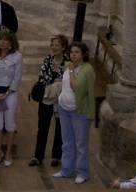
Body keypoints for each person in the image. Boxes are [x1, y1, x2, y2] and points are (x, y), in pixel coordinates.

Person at [53, 41, 95, 185]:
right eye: (71, 52)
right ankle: (67, 169)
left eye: (77, 52)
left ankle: (82, 172)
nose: (73, 55)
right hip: (64, 109)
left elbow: (76, 87)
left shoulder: (87, 69)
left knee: (81, 144)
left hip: (80, 111)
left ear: (83, 54)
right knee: (67, 142)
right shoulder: (67, 66)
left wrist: (71, 71)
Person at [29, 34, 68, 168]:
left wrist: (57, 81)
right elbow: (42, 77)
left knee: (60, 128)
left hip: (61, 99)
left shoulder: (68, 62)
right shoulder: (47, 59)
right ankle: (38, 156)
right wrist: (57, 81)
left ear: (63, 47)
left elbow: (67, 80)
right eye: (52, 45)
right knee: (43, 127)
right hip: (47, 97)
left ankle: (56, 156)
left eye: (57, 45)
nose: (54, 47)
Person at [0, 30, 23, 167]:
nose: (2, 42)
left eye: (5, 40)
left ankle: (8, 153)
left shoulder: (17, 57)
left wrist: (5, 94)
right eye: (0, 39)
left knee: (9, 125)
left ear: (11, 43)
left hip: (10, 94)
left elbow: (17, 77)